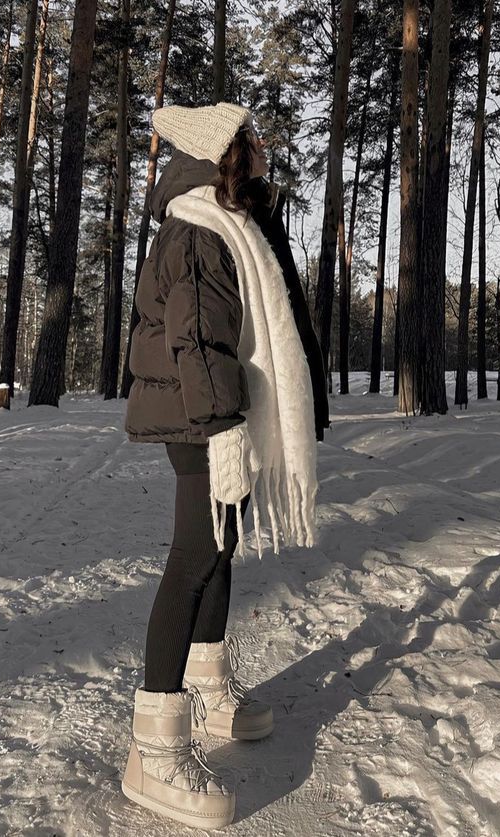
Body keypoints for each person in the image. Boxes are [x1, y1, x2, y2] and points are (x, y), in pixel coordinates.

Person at [121, 101, 330, 830]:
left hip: (220, 414)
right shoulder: (198, 228)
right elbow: (200, 338)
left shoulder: (232, 217)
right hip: (203, 418)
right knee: (195, 555)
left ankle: (209, 689)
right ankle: (153, 744)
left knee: (223, 545)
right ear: (226, 150)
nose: (264, 145)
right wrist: (224, 428)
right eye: (253, 137)